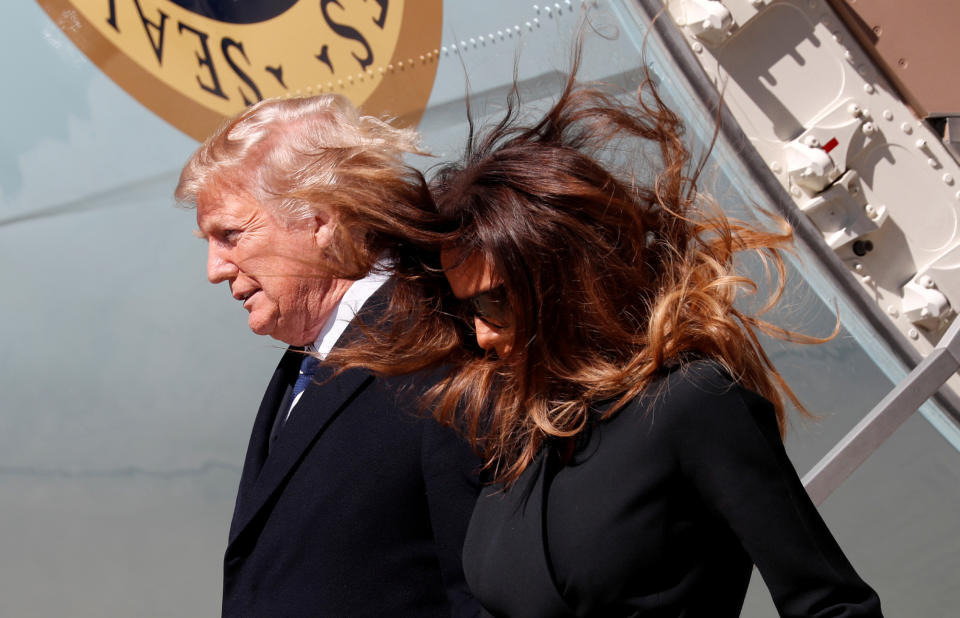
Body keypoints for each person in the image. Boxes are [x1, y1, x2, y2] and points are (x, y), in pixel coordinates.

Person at [328, 63, 885, 616]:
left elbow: (831, 604)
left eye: (493, 301)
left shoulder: (692, 402)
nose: (481, 332)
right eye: (465, 307)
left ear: (564, 281)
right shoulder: (525, 433)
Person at [174, 94, 481, 617]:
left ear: (319, 220)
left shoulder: (435, 353)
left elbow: (480, 589)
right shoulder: (310, 355)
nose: (214, 269)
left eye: (231, 234)